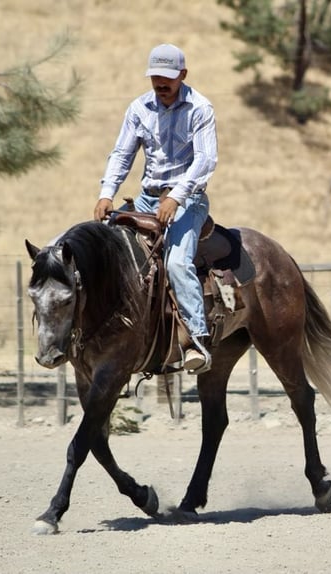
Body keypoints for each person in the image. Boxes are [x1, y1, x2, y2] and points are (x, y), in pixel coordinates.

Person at [94, 43, 218, 373]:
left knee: (177, 262)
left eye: (168, 78)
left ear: (182, 75)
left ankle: (195, 339)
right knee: (104, 250)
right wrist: (107, 192)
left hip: (188, 200)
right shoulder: (139, 108)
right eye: (156, 78)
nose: (161, 84)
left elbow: (206, 160)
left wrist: (176, 197)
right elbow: (122, 154)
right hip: (147, 199)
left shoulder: (200, 108)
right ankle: (103, 333)